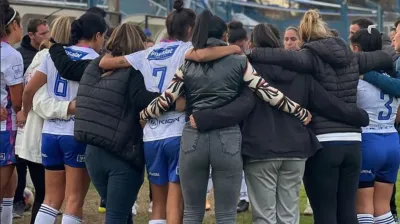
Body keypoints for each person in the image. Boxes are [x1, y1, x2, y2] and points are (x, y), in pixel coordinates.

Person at [139, 10, 312, 224]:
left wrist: (145, 113)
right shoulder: (239, 62)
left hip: (193, 138)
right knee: (226, 215)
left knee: (192, 212)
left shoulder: (188, 64)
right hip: (227, 138)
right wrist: (299, 110)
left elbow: (166, 99)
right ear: (224, 36)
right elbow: (267, 92)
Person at [249, 10, 394, 224]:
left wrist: (247, 53)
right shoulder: (351, 57)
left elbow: (278, 56)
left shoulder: (309, 57)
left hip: (324, 143)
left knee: (325, 212)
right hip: (353, 143)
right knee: (347, 210)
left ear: (305, 36)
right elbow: (383, 56)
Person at [23, 13, 107, 224]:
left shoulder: (52, 54)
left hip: (50, 134)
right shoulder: (97, 61)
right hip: (76, 134)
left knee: (50, 200)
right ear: (97, 35)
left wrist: (24, 112)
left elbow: (30, 89)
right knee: (74, 201)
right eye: (104, 36)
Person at [74, 23, 160, 224]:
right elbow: (141, 99)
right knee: (116, 216)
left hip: (93, 153)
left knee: (120, 212)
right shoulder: (134, 72)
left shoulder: (94, 67)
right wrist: (170, 96)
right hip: (122, 156)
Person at [15, 16, 73, 224]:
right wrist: (68, 107)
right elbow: (34, 95)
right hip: (42, 131)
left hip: (41, 132)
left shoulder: (44, 56)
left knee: (48, 195)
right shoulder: (47, 57)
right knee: (46, 195)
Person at [351, 26, 400, 224]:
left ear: (356, 49)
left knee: (363, 208)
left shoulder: (359, 80)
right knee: (383, 208)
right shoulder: (390, 78)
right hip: (392, 142)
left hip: (368, 141)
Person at [0, 1, 24, 223]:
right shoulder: (11, 55)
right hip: (4, 128)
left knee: (10, 181)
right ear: (13, 24)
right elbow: (17, 101)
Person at [226, 20, 250, 213]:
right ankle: (242, 196)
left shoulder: (251, 59)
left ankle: (245, 196)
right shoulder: (227, 59)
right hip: (234, 112)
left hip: (248, 112)